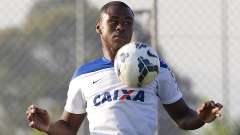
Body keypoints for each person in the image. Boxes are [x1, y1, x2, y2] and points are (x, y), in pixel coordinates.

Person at [26, 1, 223, 135]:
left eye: (127, 23)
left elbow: (182, 117)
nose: (121, 27)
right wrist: (50, 127)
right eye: (114, 22)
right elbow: (69, 127)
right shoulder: (83, 75)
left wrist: (200, 118)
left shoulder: (155, 67)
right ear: (99, 27)